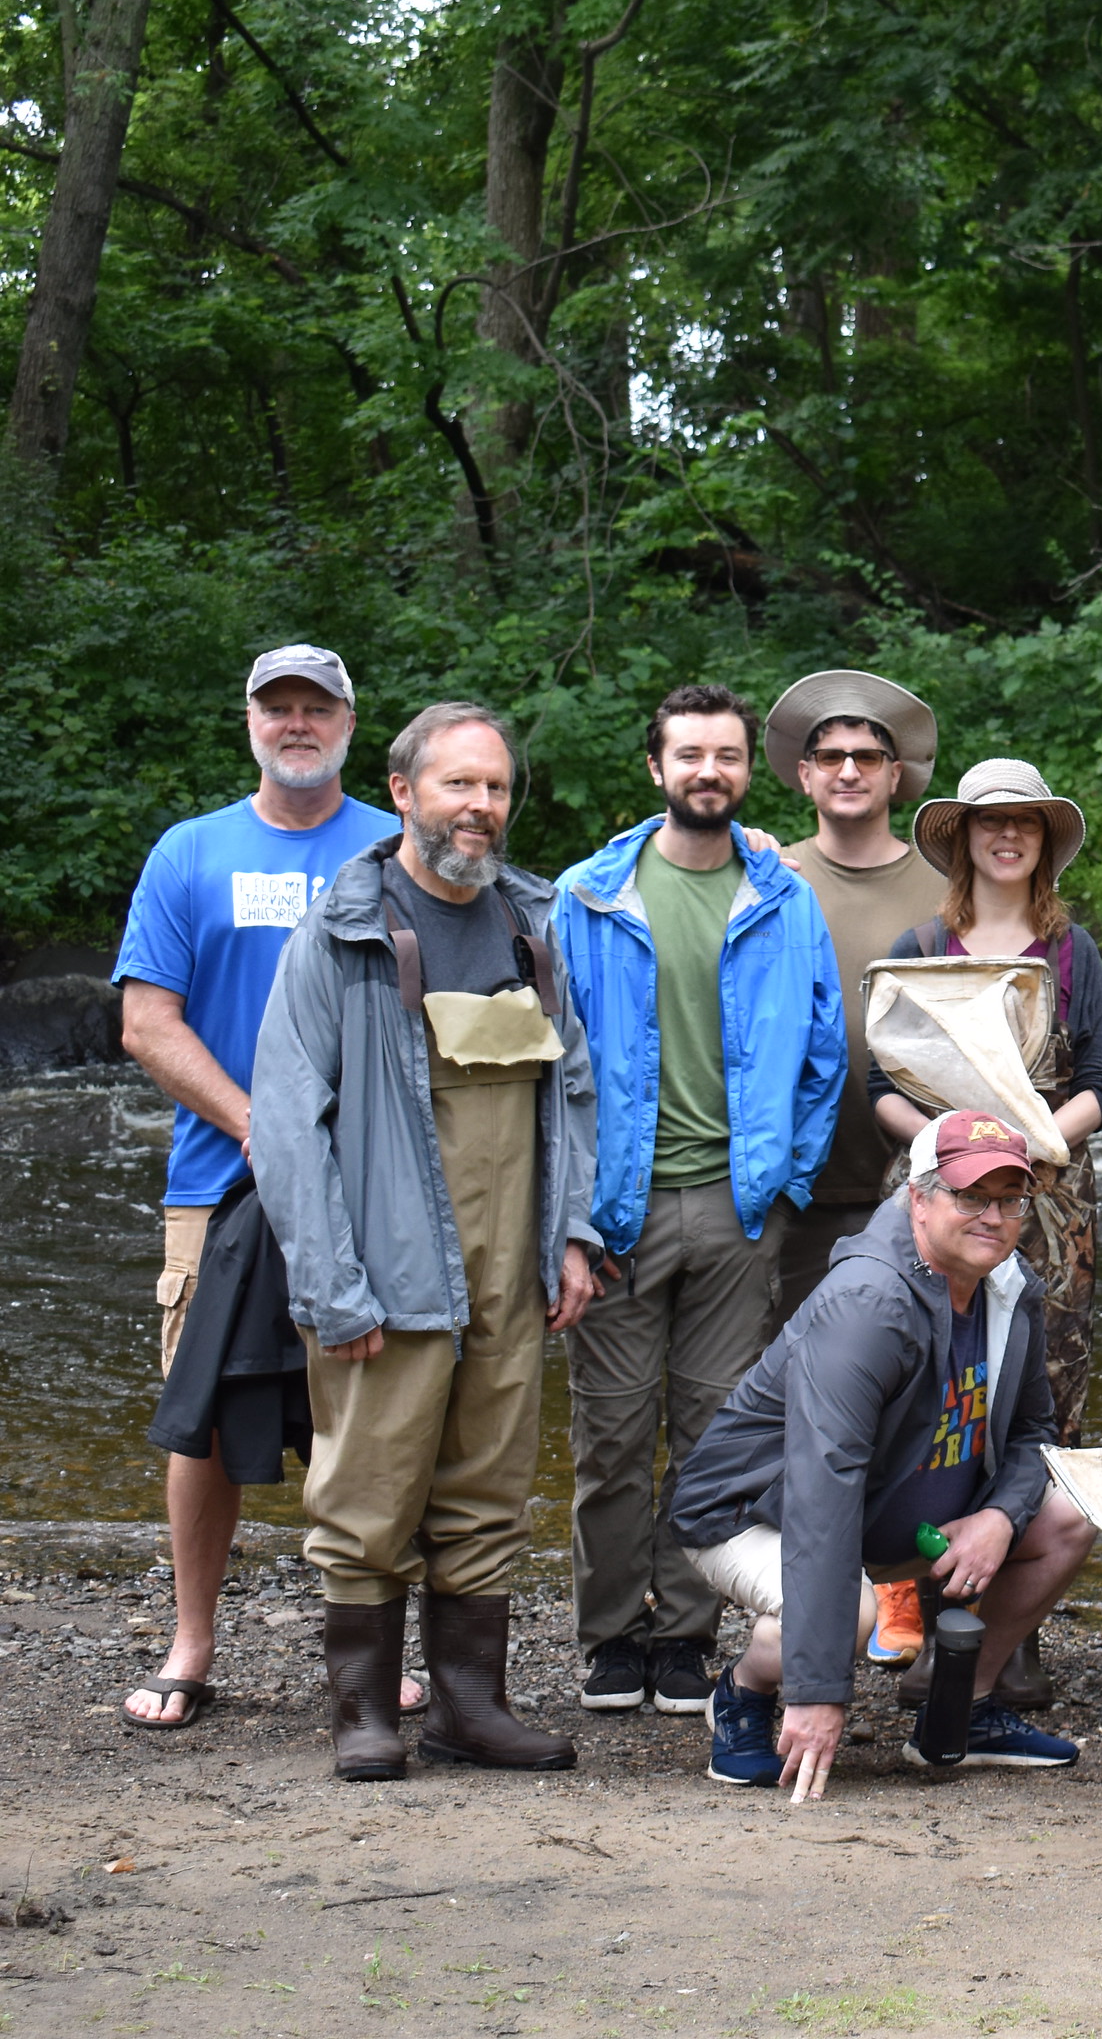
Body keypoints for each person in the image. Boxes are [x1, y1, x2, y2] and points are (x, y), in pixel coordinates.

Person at [248, 701, 603, 1781]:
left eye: (494, 787)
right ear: (402, 791)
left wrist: (573, 1235)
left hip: (512, 1261)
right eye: (458, 784)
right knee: (367, 1490)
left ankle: (471, 1707)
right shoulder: (343, 927)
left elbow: (575, 1090)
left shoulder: (531, 925)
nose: (480, 807)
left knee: (490, 1483)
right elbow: (284, 1120)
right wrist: (329, 1283)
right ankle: (363, 1712)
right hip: (382, 1260)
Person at [112, 644, 403, 1729]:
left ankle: (369, 1650)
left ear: (348, 721)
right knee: (200, 1421)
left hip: (375, 1189)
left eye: (314, 707)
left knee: (370, 1417)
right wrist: (268, 1129)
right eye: (276, 706)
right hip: (216, 1184)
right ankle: (192, 1642)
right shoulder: (190, 854)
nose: (296, 723)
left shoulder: (392, 844)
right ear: (249, 721)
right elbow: (148, 1022)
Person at [554, 685, 846, 1717]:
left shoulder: (780, 895)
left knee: (716, 1428)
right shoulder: (586, 897)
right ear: (656, 768)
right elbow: (555, 1063)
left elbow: (823, 1050)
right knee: (612, 1434)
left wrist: (787, 1180)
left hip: (736, 1206)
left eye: (726, 754)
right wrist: (570, 1218)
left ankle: (684, 1633)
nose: (708, 771)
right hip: (617, 1208)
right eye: (689, 754)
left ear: (743, 772)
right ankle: (608, 1635)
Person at [668, 1111, 1098, 1791]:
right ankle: (744, 1693)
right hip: (754, 1509)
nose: (993, 1216)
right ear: (918, 1199)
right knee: (854, 1614)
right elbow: (822, 1489)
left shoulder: (1010, 1287)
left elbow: (1030, 1435)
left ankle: (962, 1713)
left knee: (1069, 1514)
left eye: (1009, 1200)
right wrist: (819, 1694)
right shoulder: (865, 1305)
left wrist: (999, 1519)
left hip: (888, 1513)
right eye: (970, 1196)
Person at [870, 757, 1102, 1708]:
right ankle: (931, 1614)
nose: (1006, 837)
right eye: (989, 823)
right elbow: (882, 1089)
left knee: (1040, 1399)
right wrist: (946, 1148)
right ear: (963, 838)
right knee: (936, 1399)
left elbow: (1101, 1076)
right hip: (937, 1200)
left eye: (1025, 824)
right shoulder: (922, 943)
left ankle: (1015, 1630)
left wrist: (1043, 1140)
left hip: (1049, 1205)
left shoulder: (1074, 954)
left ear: (1044, 841)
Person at [764, 669, 947, 1330]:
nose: (848, 771)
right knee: (787, 1388)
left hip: (917, 1185)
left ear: (895, 775)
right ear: (805, 774)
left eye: (866, 756)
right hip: (790, 1191)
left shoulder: (949, 889)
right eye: (829, 757)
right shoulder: (765, 879)